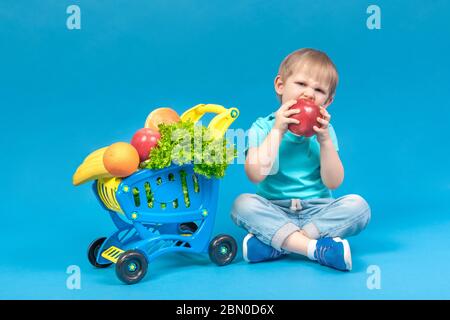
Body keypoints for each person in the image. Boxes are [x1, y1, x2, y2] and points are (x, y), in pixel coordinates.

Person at [231, 48, 371, 271]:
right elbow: (255, 175)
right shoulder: (262, 127)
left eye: (318, 89)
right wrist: (277, 130)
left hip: (317, 212)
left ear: (328, 101)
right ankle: (314, 249)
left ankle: (278, 243)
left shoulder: (325, 132)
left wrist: (324, 141)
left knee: (359, 206)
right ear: (280, 85)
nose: (309, 94)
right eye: (301, 84)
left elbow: (333, 182)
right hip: (274, 208)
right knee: (242, 204)